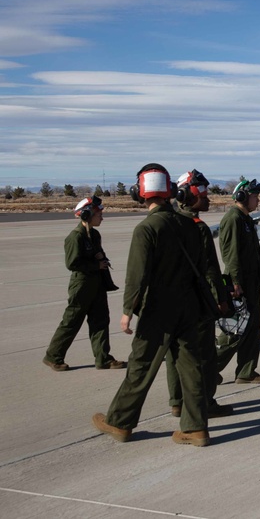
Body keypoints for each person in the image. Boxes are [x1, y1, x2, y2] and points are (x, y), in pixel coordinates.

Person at [93, 163, 211, 447]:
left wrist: (127, 312)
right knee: (191, 365)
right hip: (189, 306)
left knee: (141, 366)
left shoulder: (147, 228)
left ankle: (120, 422)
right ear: (170, 190)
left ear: (140, 193)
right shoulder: (191, 224)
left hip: (159, 308)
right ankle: (196, 428)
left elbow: (137, 275)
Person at [165, 170, 233, 419]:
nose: (208, 198)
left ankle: (177, 402)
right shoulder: (198, 227)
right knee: (204, 354)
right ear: (186, 194)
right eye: (203, 193)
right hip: (198, 303)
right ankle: (206, 402)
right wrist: (221, 300)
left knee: (175, 353)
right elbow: (210, 270)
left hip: (173, 302)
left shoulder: (169, 222)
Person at [43, 196, 125, 371]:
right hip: (82, 285)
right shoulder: (75, 237)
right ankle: (53, 356)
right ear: (87, 215)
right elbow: (72, 263)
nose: (102, 217)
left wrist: (101, 259)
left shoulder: (94, 235)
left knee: (100, 320)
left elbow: (97, 254)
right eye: (98, 214)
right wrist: (96, 264)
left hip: (97, 283)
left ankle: (103, 358)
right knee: (71, 321)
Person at [217, 178, 260, 382]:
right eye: (255, 197)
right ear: (243, 197)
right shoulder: (233, 219)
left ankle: (246, 371)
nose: (258, 201)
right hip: (239, 283)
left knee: (253, 325)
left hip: (251, 281)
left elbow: (255, 252)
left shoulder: (247, 219)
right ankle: (208, 370)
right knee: (235, 329)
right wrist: (236, 283)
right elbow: (230, 255)